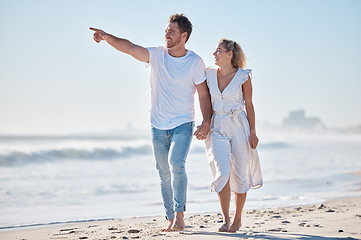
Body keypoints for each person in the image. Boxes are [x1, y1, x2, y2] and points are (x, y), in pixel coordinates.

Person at [90, 14, 212, 232]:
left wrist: (206, 122)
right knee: (163, 171)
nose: (167, 34)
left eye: (172, 31)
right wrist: (108, 37)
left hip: (183, 122)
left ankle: (180, 216)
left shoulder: (195, 62)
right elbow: (130, 48)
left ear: (184, 36)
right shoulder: (156, 55)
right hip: (157, 124)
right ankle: (170, 216)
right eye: (166, 30)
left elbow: (203, 95)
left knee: (177, 164)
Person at [194, 39, 263, 232]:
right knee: (222, 172)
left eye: (218, 51)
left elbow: (249, 105)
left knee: (240, 171)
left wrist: (254, 131)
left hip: (239, 126)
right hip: (217, 126)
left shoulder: (243, 76)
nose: (214, 54)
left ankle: (237, 219)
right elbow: (203, 98)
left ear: (229, 54)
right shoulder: (208, 74)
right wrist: (204, 123)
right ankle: (225, 219)